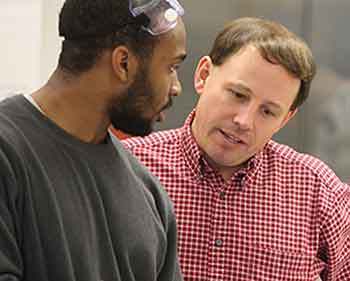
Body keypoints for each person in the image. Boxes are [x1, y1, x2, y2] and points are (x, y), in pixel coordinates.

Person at [122, 17, 350, 280]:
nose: (244, 121)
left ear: (285, 118)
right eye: (238, 95)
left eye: (268, 111)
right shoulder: (130, 167)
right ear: (203, 75)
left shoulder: (317, 192)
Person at [0, 0, 187, 280]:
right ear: (123, 63)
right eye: (171, 67)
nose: (176, 87)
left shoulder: (149, 195)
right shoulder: (8, 154)